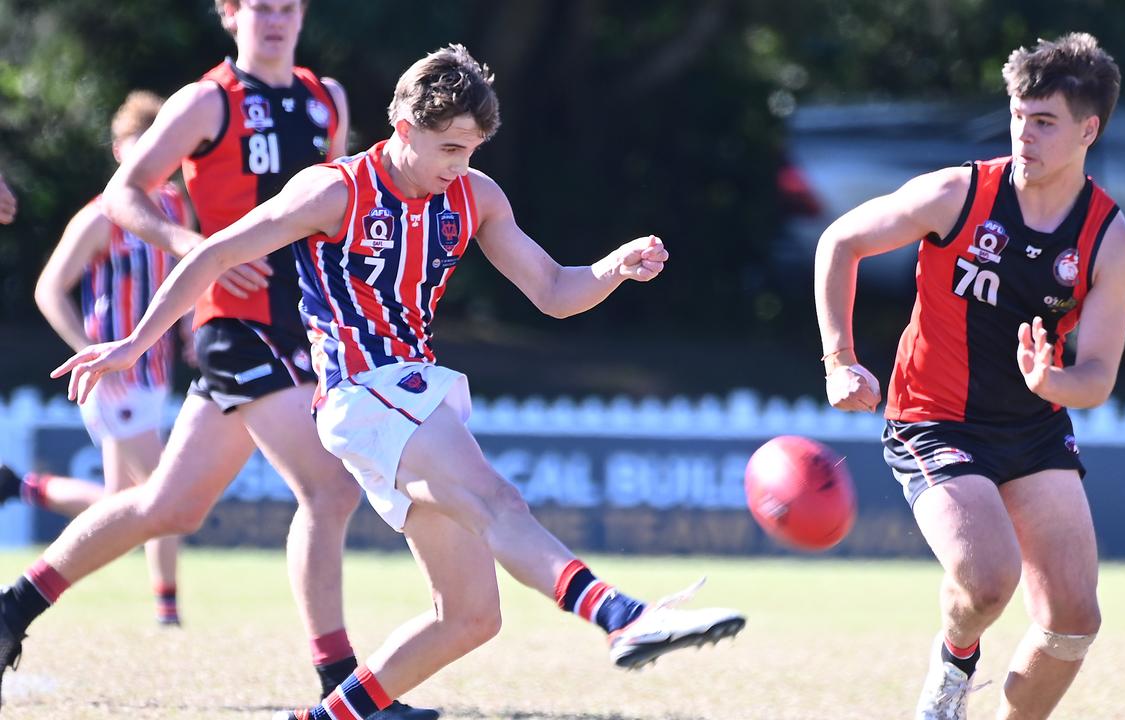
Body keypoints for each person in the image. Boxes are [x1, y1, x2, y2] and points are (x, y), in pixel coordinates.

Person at [54, 43, 746, 720]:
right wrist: (135, 343)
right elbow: (214, 254)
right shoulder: (334, 189)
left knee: (471, 617)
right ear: (404, 129)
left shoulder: (475, 196)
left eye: (472, 149)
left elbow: (554, 290)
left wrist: (613, 268)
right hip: (364, 392)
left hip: (411, 393)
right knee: (497, 499)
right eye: (448, 148)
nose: (461, 165)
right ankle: (623, 618)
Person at [0, 2, 436, 717]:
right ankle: (343, 690)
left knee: (168, 507)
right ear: (230, 13)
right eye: (259, 4)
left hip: (303, 325)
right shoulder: (208, 101)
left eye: (288, 5)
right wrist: (191, 248)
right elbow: (124, 192)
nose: (276, 18)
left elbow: (342, 202)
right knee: (328, 490)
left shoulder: (329, 98)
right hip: (235, 325)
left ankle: (12, 609)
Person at [814, 33, 1125, 720]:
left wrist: (1053, 384)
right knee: (989, 581)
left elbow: (1099, 376)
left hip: (1032, 427)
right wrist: (839, 360)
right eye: (1019, 115)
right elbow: (840, 241)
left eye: (1044, 121)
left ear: (1089, 129)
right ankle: (956, 659)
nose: (1024, 133)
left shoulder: (1109, 239)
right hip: (933, 419)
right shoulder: (960, 194)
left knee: (1075, 620)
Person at [21, 90, 188, 626]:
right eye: (138, 149)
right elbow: (49, 288)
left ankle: (21, 486)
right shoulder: (101, 216)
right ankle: (168, 610)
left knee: (121, 500)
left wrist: (188, 327)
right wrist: (87, 353)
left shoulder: (178, 209)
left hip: (155, 372)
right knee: (165, 495)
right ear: (120, 152)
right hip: (117, 377)